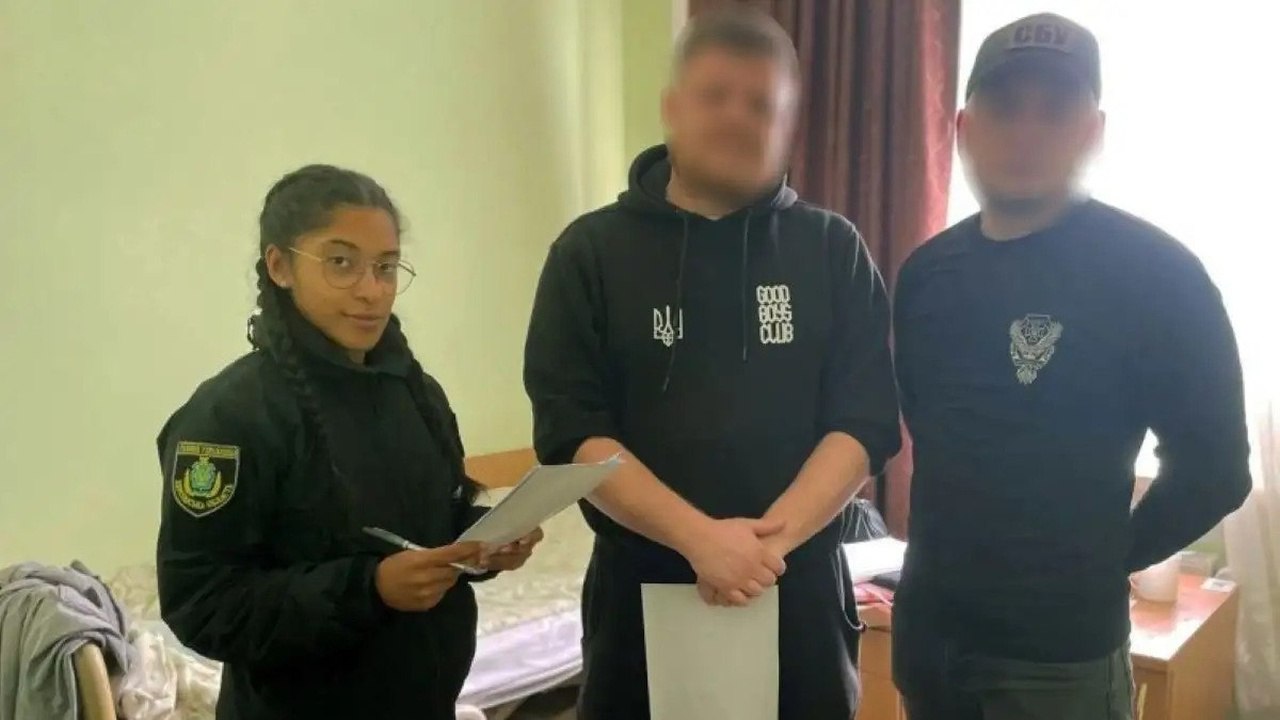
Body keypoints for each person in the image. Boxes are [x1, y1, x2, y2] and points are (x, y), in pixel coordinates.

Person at [523, 7, 901, 719]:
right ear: (673, 108)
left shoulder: (833, 250)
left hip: (797, 592)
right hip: (641, 597)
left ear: (788, 124)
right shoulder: (589, 253)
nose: (737, 117)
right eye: (716, 96)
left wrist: (762, 549)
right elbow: (572, 434)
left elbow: (865, 424)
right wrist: (700, 541)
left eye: (761, 104)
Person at [891, 13, 1252, 720]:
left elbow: (1216, 469)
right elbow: (927, 430)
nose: (1026, 131)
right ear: (963, 129)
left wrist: (1104, 558)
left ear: (1093, 131)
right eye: (1004, 108)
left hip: (1057, 660)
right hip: (928, 638)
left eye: (1055, 110)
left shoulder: (1157, 274)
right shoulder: (926, 274)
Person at [155, 164, 542, 720]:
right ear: (280, 266)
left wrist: (484, 545)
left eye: (385, 267)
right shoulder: (227, 418)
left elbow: (435, 521)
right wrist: (369, 589)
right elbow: (203, 602)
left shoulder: (418, 394)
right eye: (341, 263)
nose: (371, 290)